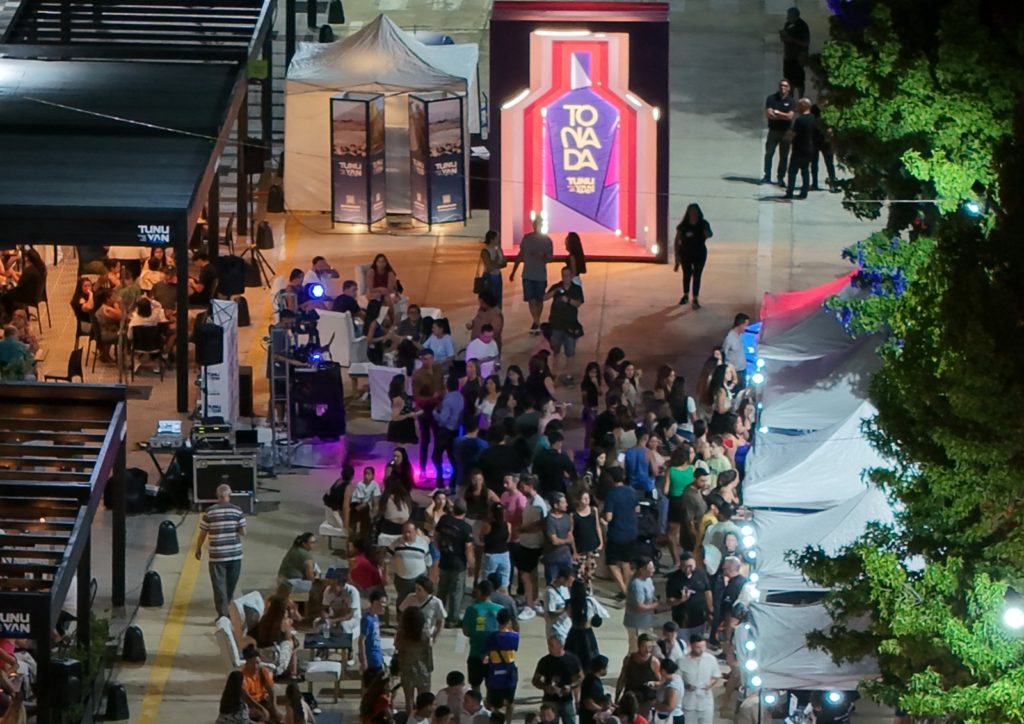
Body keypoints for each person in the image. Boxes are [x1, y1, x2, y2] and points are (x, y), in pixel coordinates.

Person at [196, 484, 247, 618]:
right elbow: (243, 532)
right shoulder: (237, 511)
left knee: (219, 587)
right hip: (234, 555)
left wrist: (198, 547)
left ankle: (223, 614)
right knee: (230, 585)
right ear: (229, 495)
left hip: (217, 556)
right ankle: (227, 608)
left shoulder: (210, 512)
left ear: (217, 496)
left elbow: (202, 533)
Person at [509, 215, 554, 334]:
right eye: (535, 223)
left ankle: (536, 322)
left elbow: (550, 258)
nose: (536, 226)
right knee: (531, 299)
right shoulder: (527, 239)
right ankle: (536, 322)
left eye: (538, 223)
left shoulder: (547, 241)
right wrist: (513, 271)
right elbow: (520, 255)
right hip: (528, 274)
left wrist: (543, 257)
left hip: (540, 275)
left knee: (539, 299)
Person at [436, 499, 475, 627]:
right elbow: (468, 548)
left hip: (444, 560)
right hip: (458, 564)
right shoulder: (466, 528)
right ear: (465, 511)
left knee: (442, 590)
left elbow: (436, 536)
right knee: (456, 593)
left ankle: (438, 616)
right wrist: (471, 565)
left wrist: (439, 549)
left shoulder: (444, 520)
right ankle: (452, 619)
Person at [515, 476, 550, 618]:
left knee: (526, 575)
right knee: (532, 575)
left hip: (532, 544)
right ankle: (532, 600)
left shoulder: (537, 504)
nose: (521, 489)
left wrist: (523, 530)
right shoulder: (530, 501)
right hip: (527, 542)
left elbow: (539, 524)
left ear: (530, 486)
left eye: (523, 486)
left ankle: (529, 605)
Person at [544, 266, 584, 384]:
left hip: (570, 326)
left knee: (570, 353)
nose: (565, 277)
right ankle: (554, 374)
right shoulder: (557, 287)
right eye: (563, 275)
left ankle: (568, 375)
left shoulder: (576, 289)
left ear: (571, 276)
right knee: (555, 352)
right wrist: (555, 291)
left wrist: (569, 300)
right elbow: (544, 297)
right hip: (556, 326)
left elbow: (579, 303)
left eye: (567, 275)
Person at [602, 468, 637, 600]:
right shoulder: (631, 491)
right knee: (626, 562)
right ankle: (625, 589)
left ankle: (624, 590)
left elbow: (609, 517)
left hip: (617, 533)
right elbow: (637, 508)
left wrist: (602, 516)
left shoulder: (611, 494)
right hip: (631, 531)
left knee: (611, 563)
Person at [532, 635, 583, 724]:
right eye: (549, 645)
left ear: (561, 646)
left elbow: (580, 677)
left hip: (567, 700)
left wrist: (570, 686)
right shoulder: (545, 661)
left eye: (551, 645)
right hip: (550, 701)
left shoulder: (572, 660)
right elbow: (535, 680)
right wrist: (546, 687)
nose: (548, 647)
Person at [462, 580, 504, 689]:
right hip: (495, 654)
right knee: (493, 686)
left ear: (479, 591)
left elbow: (466, 631)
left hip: (476, 653)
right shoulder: (500, 609)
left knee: (475, 685)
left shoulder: (472, 609)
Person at [673, 204, 714, 309]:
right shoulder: (683, 225)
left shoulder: (703, 223)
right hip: (685, 254)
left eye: (695, 211)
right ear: (688, 213)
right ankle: (686, 295)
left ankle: (695, 297)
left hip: (700, 253)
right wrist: (677, 257)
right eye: (691, 211)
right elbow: (677, 241)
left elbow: (710, 234)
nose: (693, 213)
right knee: (686, 274)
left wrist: (706, 232)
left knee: (697, 275)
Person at [666, 554, 712, 643]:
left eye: (690, 566)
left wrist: (710, 609)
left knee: (697, 643)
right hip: (681, 621)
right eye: (684, 566)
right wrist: (680, 600)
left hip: (699, 619)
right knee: (683, 644)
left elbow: (707, 591)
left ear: (695, 564)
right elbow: (669, 601)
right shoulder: (673, 578)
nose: (687, 569)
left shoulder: (701, 574)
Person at [414, 349, 446, 477]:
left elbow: (442, 386)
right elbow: (417, 397)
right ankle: (422, 468)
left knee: (439, 439)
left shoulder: (439, 370)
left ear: (433, 358)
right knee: (425, 440)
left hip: (438, 408)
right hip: (425, 410)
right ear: (421, 359)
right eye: (425, 359)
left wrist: (441, 396)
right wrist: (432, 398)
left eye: (429, 359)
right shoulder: (418, 375)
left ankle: (438, 466)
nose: (427, 362)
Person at [396, 606, 434, 714]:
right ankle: (423, 718)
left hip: (407, 668)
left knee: (409, 699)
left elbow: (398, 648)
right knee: (424, 699)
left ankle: (410, 719)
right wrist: (430, 668)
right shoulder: (425, 635)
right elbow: (428, 653)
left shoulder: (401, 635)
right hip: (422, 669)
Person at [391, 521, 432, 618]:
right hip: (402, 579)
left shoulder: (423, 543)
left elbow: (428, 562)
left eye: (409, 532)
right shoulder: (396, 543)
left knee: (419, 601)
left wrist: (429, 578)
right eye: (404, 532)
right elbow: (387, 559)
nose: (407, 534)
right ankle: (401, 620)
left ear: (415, 531)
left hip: (419, 577)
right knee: (402, 601)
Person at [484, 608, 519, 720]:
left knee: (492, 701)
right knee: (510, 701)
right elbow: (515, 648)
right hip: (509, 673)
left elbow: (486, 652)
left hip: (494, 673)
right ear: (509, 621)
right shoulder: (515, 637)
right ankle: (508, 721)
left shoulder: (490, 637)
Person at [614, 634, 661, 712]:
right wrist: (617, 697)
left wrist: (654, 683)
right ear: (638, 646)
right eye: (644, 647)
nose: (647, 650)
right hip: (630, 698)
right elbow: (622, 679)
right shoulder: (628, 659)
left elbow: (661, 681)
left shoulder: (654, 662)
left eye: (650, 647)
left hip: (646, 700)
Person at [678, 635, 719, 724]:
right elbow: (677, 680)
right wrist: (686, 686)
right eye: (698, 647)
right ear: (691, 646)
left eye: (703, 647)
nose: (701, 650)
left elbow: (715, 676)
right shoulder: (682, 661)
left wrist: (709, 684)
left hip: (706, 701)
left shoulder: (711, 659)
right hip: (688, 702)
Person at [762, 79, 795, 186]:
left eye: (785, 86)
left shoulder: (791, 101)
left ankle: (781, 177)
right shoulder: (771, 98)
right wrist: (783, 115)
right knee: (769, 153)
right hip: (773, 130)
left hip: (786, 132)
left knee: (784, 156)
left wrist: (777, 113)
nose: (782, 88)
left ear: (789, 88)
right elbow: (769, 114)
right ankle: (767, 175)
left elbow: (790, 117)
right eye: (781, 85)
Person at [433, 375, 464, 489]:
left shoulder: (448, 400)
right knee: (452, 457)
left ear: (447, 386)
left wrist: (434, 413)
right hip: (456, 431)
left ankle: (440, 482)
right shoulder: (461, 397)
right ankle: (453, 483)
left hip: (445, 431)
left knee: (436, 456)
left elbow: (443, 420)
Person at [399, 576, 447, 645]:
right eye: (415, 588)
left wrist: (435, 635)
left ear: (426, 590)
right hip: (410, 632)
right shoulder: (410, 598)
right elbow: (402, 613)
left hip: (426, 634)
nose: (416, 591)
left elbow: (441, 620)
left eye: (419, 589)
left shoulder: (436, 602)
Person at [624, 558, 659, 653]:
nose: (653, 570)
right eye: (650, 568)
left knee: (648, 649)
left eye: (653, 567)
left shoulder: (648, 579)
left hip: (646, 621)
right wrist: (655, 606)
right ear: (641, 569)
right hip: (636, 624)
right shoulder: (636, 584)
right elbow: (639, 607)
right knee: (635, 650)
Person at [239, 645, 281, 723]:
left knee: (278, 716)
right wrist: (263, 710)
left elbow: (271, 690)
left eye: (257, 663)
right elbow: (248, 699)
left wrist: (274, 707)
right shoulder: (243, 676)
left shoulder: (262, 671)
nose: (255, 666)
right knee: (265, 716)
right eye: (252, 663)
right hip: (250, 705)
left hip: (262, 701)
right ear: (246, 663)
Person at [786, 97, 816, 200]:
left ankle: (790, 191)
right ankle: (804, 192)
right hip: (809, 148)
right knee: (805, 171)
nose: (797, 107)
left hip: (799, 148)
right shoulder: (813, 118)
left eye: (799, 105)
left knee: (792, 171)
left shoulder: (800, 120)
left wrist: (788, 139)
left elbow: (793, 134)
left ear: (804, 106)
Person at [571, 491, 602, 586]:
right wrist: (574, 550)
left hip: (592, 544)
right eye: (584, 499)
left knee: (591, 570)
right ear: (579, 500)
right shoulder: (574, 515)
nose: (587, 500)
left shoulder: (593, 510)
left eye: (588, 498)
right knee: (580, 571)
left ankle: (588, 587)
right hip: (580, 546)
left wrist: (601, 542)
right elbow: (571, 533)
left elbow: (597, 526)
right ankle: (582, 589)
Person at [480, 502, 512, 591]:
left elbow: (481, 539)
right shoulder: (508, 525)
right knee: (504, 585)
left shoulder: (487, 526)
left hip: (491, 555)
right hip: (504, 555)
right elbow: (508, 539)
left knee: (488, 584)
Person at [779, 6, 810, 96]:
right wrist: (783, 37)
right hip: (789, 56)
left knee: (799, 80)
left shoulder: (802, 26)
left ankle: (801, 97)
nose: (788, 18)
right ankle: (791, 96)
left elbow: (805, 43)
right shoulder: (788, 24)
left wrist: (792, 39)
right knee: (789, 78)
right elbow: (785, 38)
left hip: (798, 57)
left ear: (795, 16)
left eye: (790, 16)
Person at [359, 587, 388, 677]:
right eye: (382, 602)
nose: (384, 606)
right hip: (371, 659)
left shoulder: (376, 617)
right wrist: (364, 662)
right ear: (375, 602)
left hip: (378, 657)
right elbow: (361, 641)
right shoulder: (367, 619)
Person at [811, 101, 839, 192]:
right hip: (815, 139)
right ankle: (814, 183)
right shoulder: (813, 109)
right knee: (814, 163)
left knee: (829, 163)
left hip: (826, 141)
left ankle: (833, 183)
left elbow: (835, 123)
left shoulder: (830, 110)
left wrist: (832, 131)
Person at [388, 374, 421, 444]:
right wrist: (409, 415)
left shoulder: (404, 395)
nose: (408, 383)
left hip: (407, 426)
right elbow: (395, 417)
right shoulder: (398, 399)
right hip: (401, 428)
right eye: (406, 381)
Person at [578, 655, 611, 724]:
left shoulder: (593, 679)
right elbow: (588, 703)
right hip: (589, 719)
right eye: (606, 667)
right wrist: (602, 709)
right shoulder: (592, 682)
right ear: (601, 669)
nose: (607, 669)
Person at [721, 314, 750, 389]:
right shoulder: (729, 339)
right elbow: (723, 354)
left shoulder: (740, 335)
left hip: (742, 371)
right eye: (745, 325)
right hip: (734, 373)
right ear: (740, 325)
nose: (747, 328)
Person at [479, 230, 507, 306]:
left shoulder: (498, 249)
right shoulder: (485, 251)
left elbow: (504, 263)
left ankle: (497, 311)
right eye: (497, 237)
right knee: (490, 298)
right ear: (492, 240)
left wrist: (496, 263)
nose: (499, 239)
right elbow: (489, 266)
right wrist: (498, 263)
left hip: (497, 275)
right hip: (490, 276)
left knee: (498, 297)